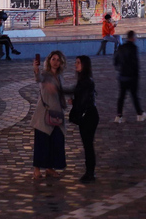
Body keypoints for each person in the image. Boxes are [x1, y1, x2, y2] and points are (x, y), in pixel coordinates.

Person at [31, 50, 67, 179]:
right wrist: (36, 69)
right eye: (53, 59)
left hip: (57, 113)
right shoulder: (45, 75)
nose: (56, 62)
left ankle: (50, 168)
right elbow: (38, 79)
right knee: (41, 142)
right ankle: (36, 169)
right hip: (44, 114)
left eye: (58, 60)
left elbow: (61, 91)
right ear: (49, 61)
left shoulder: (60, 76)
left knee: (56, 142)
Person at [70, 55, 99, 183]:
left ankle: (90, 173)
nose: (76, 65)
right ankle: (89, 172)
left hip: (88, 116)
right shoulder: (84, 80)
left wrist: (74, 103)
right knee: (88, 145)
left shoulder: (86, 81)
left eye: (78, 63)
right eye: (76, 62)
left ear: (84, 65)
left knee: (88, 145)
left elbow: (83, 102)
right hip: (89, 115)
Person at [113, 31, 146, 123]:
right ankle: (139, 114)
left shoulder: (121, 47)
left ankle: (118, 116)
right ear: (133, 38)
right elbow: (135, 63)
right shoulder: (133, 48)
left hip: (122, 76)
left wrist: (120, 69)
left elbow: (115, 62)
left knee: (121, 96)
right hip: (132, 76)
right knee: (134, 96)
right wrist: (137, 76)